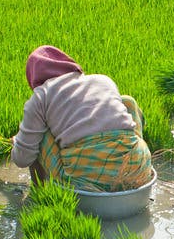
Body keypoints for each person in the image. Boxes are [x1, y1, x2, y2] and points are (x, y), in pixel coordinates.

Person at [10, 45, 154, 192]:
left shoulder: (41, 96)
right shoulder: (103, 80)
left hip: (87, 182)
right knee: (128, 102)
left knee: (39, 133)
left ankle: (40, 193)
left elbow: (23, 159)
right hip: (138, 171)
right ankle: (136, 157)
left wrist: (17, 143)